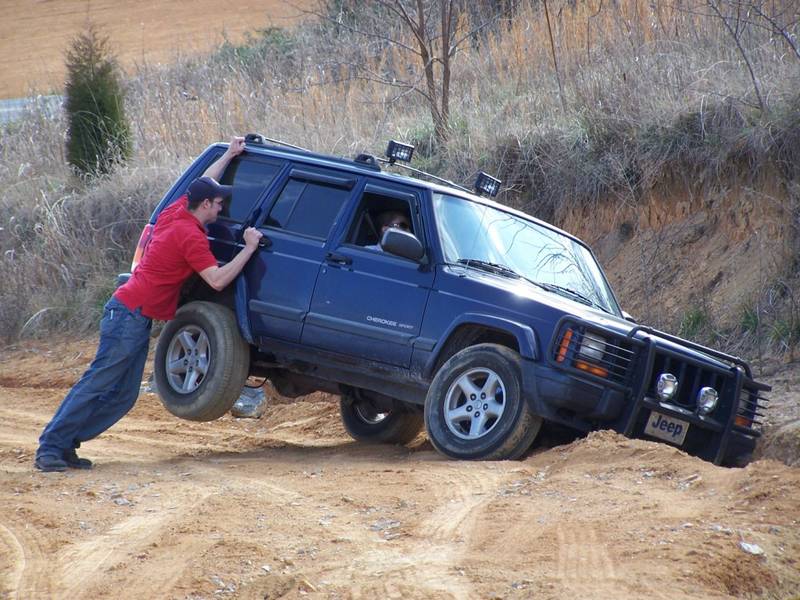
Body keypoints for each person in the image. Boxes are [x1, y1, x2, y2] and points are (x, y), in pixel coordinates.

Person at [35, 136, 261, 472]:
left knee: (124, 395)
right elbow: (216, 279)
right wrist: (249, 248)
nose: (221, 208)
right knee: (99, 381)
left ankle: (66, 442)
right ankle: (51, 448)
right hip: (129, 314)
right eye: (217, 203)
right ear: (204, 207)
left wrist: (228, 154)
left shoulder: (176, 213)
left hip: (131, 313)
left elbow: (202, 184)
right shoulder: (190, 236)